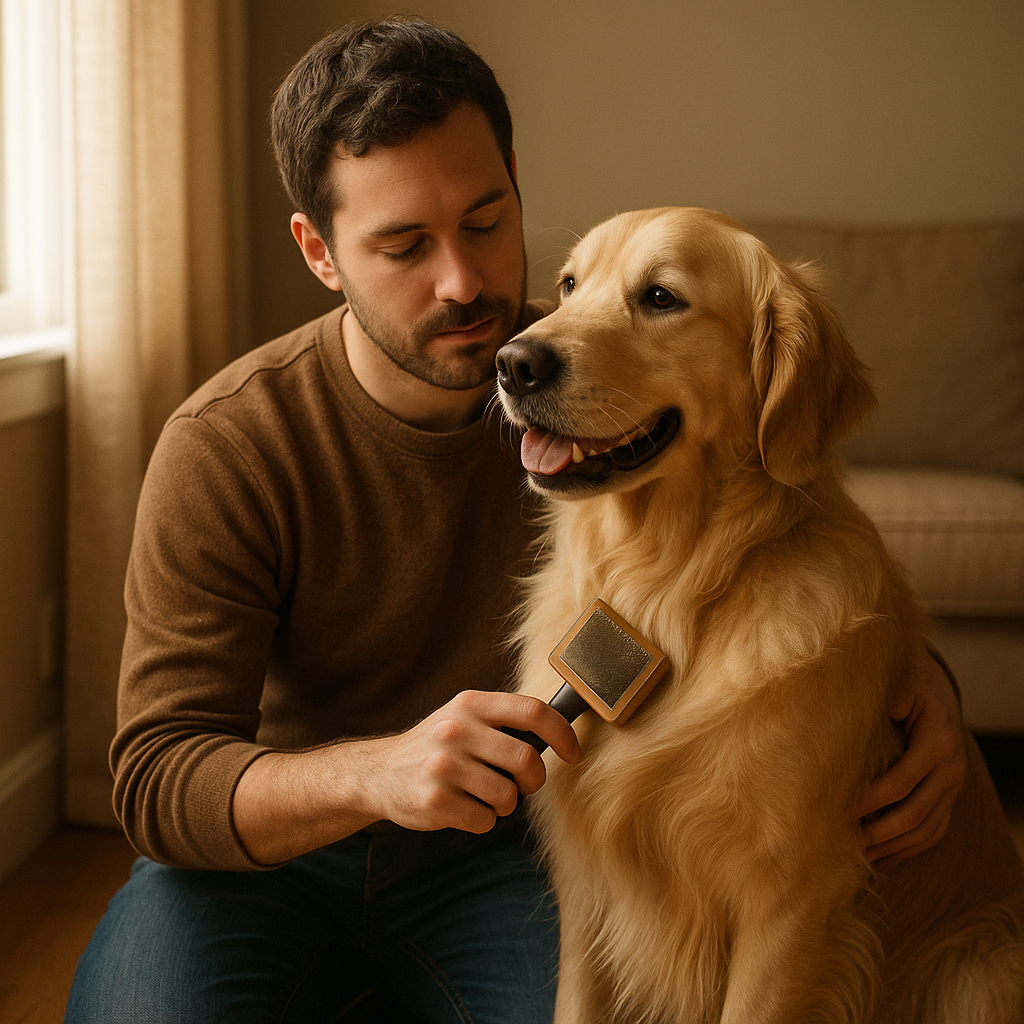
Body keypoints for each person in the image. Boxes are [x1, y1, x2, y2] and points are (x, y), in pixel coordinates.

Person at [66, 17, 967, 1023]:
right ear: (320, 252)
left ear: (516, 184)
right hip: (271, 861)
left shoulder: (594, 374)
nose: (465, 286)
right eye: (402, 245)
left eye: (486, 220)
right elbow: (153, 777)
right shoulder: (227, 444)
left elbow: (788, 543)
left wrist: (915, 684)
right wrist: (376, 772)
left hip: (493, 866)